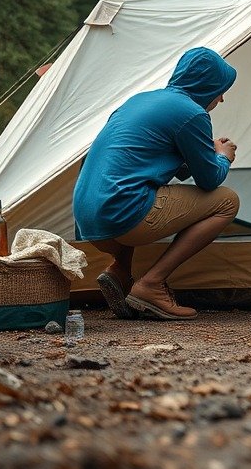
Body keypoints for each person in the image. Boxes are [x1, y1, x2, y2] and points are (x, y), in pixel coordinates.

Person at [72, 47, 239, 321]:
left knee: (137, 188)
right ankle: (152, 285)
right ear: (207, 86)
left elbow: (160, 164)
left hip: (88, 220)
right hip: (122, 217)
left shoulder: (140, 100)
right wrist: (223, 157)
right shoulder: (192, 113)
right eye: (220, 89)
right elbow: (209, 180)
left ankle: (120, 271)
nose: (222, 98)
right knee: (227, 201)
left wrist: (201, 151)